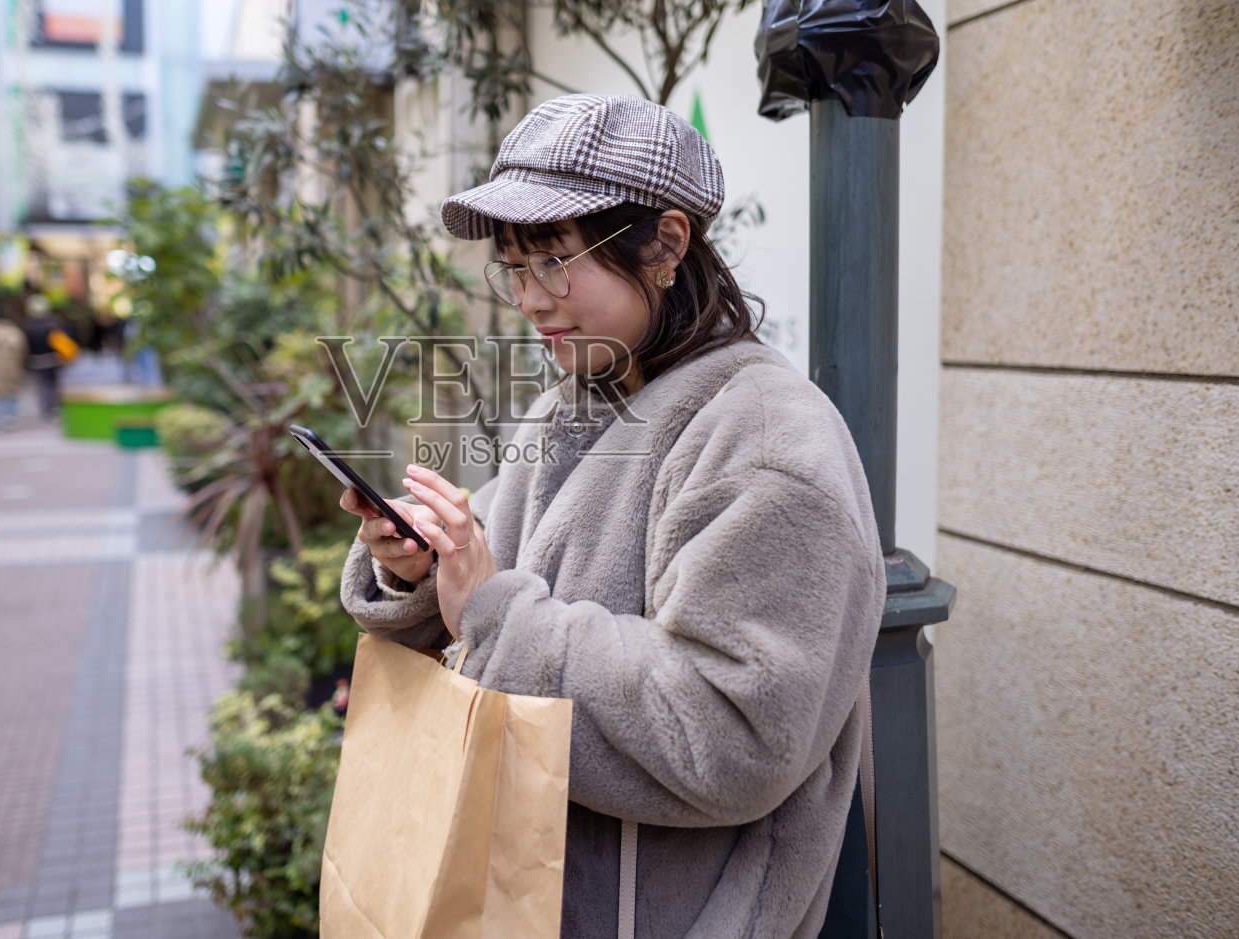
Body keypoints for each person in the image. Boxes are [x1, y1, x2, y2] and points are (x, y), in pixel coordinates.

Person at [337, 93, 886, 939]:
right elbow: (487, 595)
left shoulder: (767, 437)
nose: (529, 298)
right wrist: (424, 565)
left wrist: (496, 613)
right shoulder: (573, 404)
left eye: (554, 260)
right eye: (514, 267)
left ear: (666, 244)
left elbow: (737, 733)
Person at [23, 294, 63, 419]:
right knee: (52, 383)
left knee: (42, 384)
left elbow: (27, 345)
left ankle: (46, 407)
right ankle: (52, 406)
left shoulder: (28, 327)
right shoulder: (52, 324)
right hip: (52, 358)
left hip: (37, 360)